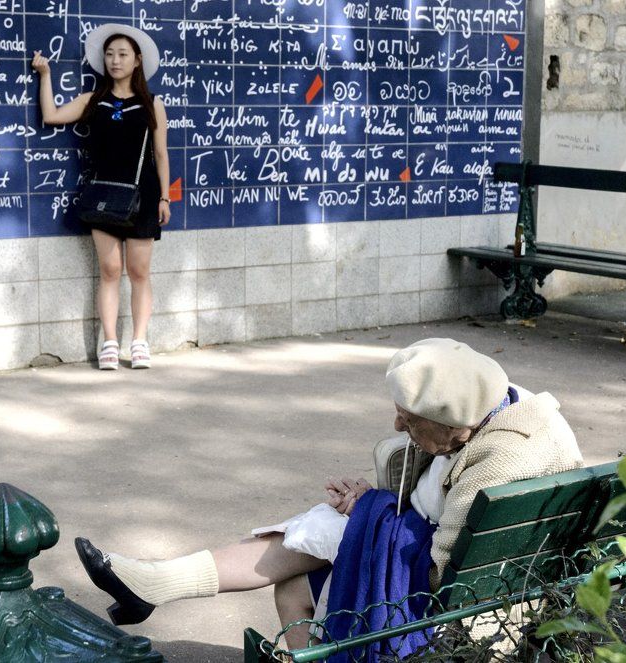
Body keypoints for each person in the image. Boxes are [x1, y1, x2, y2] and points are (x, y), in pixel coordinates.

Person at [74, 338, 584, 652]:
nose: (397, 424)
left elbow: (444, 578)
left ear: (453, 421)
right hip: (505, 577)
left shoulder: (501, 462)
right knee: (312, 554)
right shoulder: (499, 402)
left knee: (315, 548)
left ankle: (159, 583)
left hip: (471, 606)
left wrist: (372, 518)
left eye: (409, 419)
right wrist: (374, 501)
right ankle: (157, 584)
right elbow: (441, 491)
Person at [31, 24, 170, 370]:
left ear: (137, 61)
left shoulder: (152, 103)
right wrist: (45, 75)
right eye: (109, 54)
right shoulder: (93, 100)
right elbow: (51, 116)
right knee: (110, 270)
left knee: (139, 271)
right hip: (102, 196)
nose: (115, 60)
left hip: (143, 196)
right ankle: (109, 342)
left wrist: (165, 198)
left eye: (122, 54)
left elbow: (161, 154)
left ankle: (139, 342)